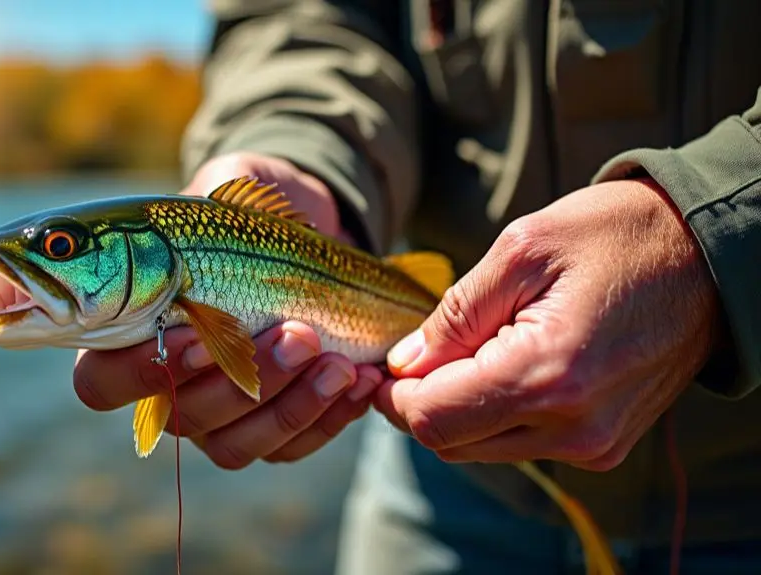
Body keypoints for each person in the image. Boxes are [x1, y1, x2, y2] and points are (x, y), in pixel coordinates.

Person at [72, 1, 761, 573]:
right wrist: (300, 154)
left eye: (62, 248)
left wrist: (712, 230)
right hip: (445, 479)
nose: (55, 260)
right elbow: (304, 20)